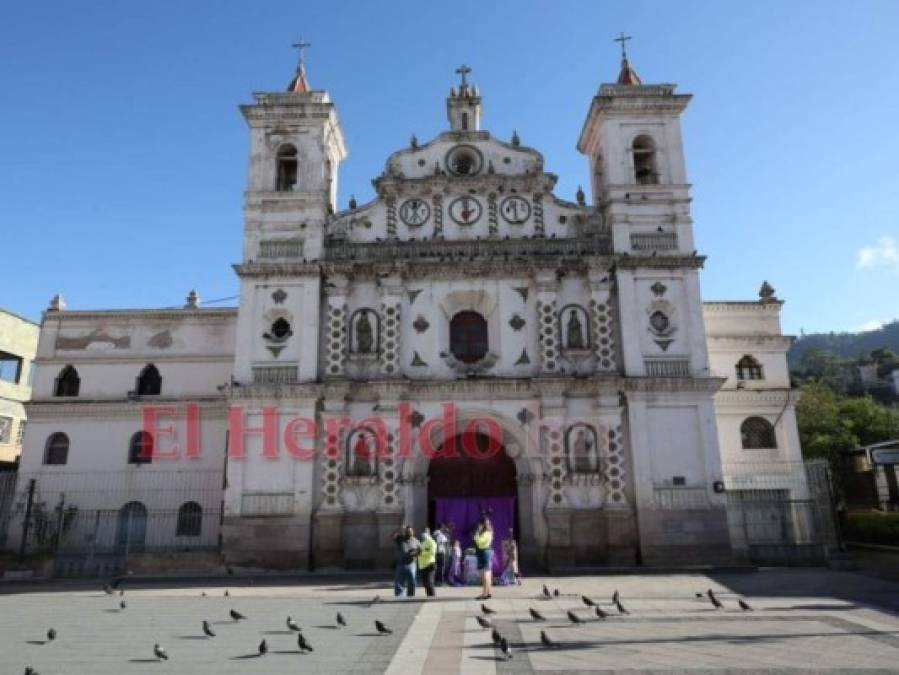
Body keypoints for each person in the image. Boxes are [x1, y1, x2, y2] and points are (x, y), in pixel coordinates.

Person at [392, 525, 420, 597]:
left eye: (410, 531)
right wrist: (399, 528)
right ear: (405, 532)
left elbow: (420, 551)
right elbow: (393, 535)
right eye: (407, 531)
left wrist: (415, 553)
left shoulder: (416, 541)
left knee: (412, 582)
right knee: (399, 582)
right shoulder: (400, 538)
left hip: (411, 564)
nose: (409, 533)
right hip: (401, 564)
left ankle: (410, 596)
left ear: (413, 532)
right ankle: (399, 596)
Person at [473, 512, 494, 600]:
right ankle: (488, 592)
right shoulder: (489, 531)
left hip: (484, 552)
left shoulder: (486, 533)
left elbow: (480, 543)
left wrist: (477, 534)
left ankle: (484, 594)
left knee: (484, 574)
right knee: (487, 573)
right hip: (485, 552)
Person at [417, 527, 437, 597]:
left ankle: (432, 597)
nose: (424, 533)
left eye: (426, 532)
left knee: (430, 582)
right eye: (423, 532)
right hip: (423, 566)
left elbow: (432, 552)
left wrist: (421, 553)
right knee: (425, 583)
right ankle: (429, 596)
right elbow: (420, 551)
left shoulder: (431, 542)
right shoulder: (422, 542)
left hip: (429, 565)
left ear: (429, 533)